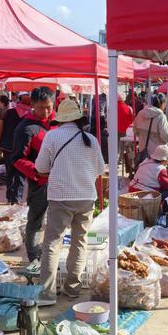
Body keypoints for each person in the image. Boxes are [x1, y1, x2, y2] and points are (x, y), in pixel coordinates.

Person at [35, 98, 105, 303]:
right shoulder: (90, 139)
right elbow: (100, 169)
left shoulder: (52, 135)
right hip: (86, 197)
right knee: (79, 242)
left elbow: (40, 167)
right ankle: (73, 289)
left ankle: (46, 294)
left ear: (60, 118)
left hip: (60, 197)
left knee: (52, 243)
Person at [12, 88, 57, 275]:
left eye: (49, 107)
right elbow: (17, 159)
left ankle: (51, 256)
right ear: (32, 105)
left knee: (57, 222)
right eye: (41, 108)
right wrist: (37, 173)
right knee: (36, 221)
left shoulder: (58, 123)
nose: (45, 112)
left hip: (61, 182)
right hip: (40, 184)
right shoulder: (26, 128)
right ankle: (34, 258)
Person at [0, 92, 31, 204]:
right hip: (22, 148)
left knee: (10, 172)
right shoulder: (30, 115)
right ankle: (17, 198)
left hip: (7, 146)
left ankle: (10, 197)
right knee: (20, 173)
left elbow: (1, 127)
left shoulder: (9, 112)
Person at [133, 93, 168, 161]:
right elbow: (166, 137)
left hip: (143, 151)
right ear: (162, 103)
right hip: (158, 154)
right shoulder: (161, 116)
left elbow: (135, 131)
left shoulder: (140, 113)